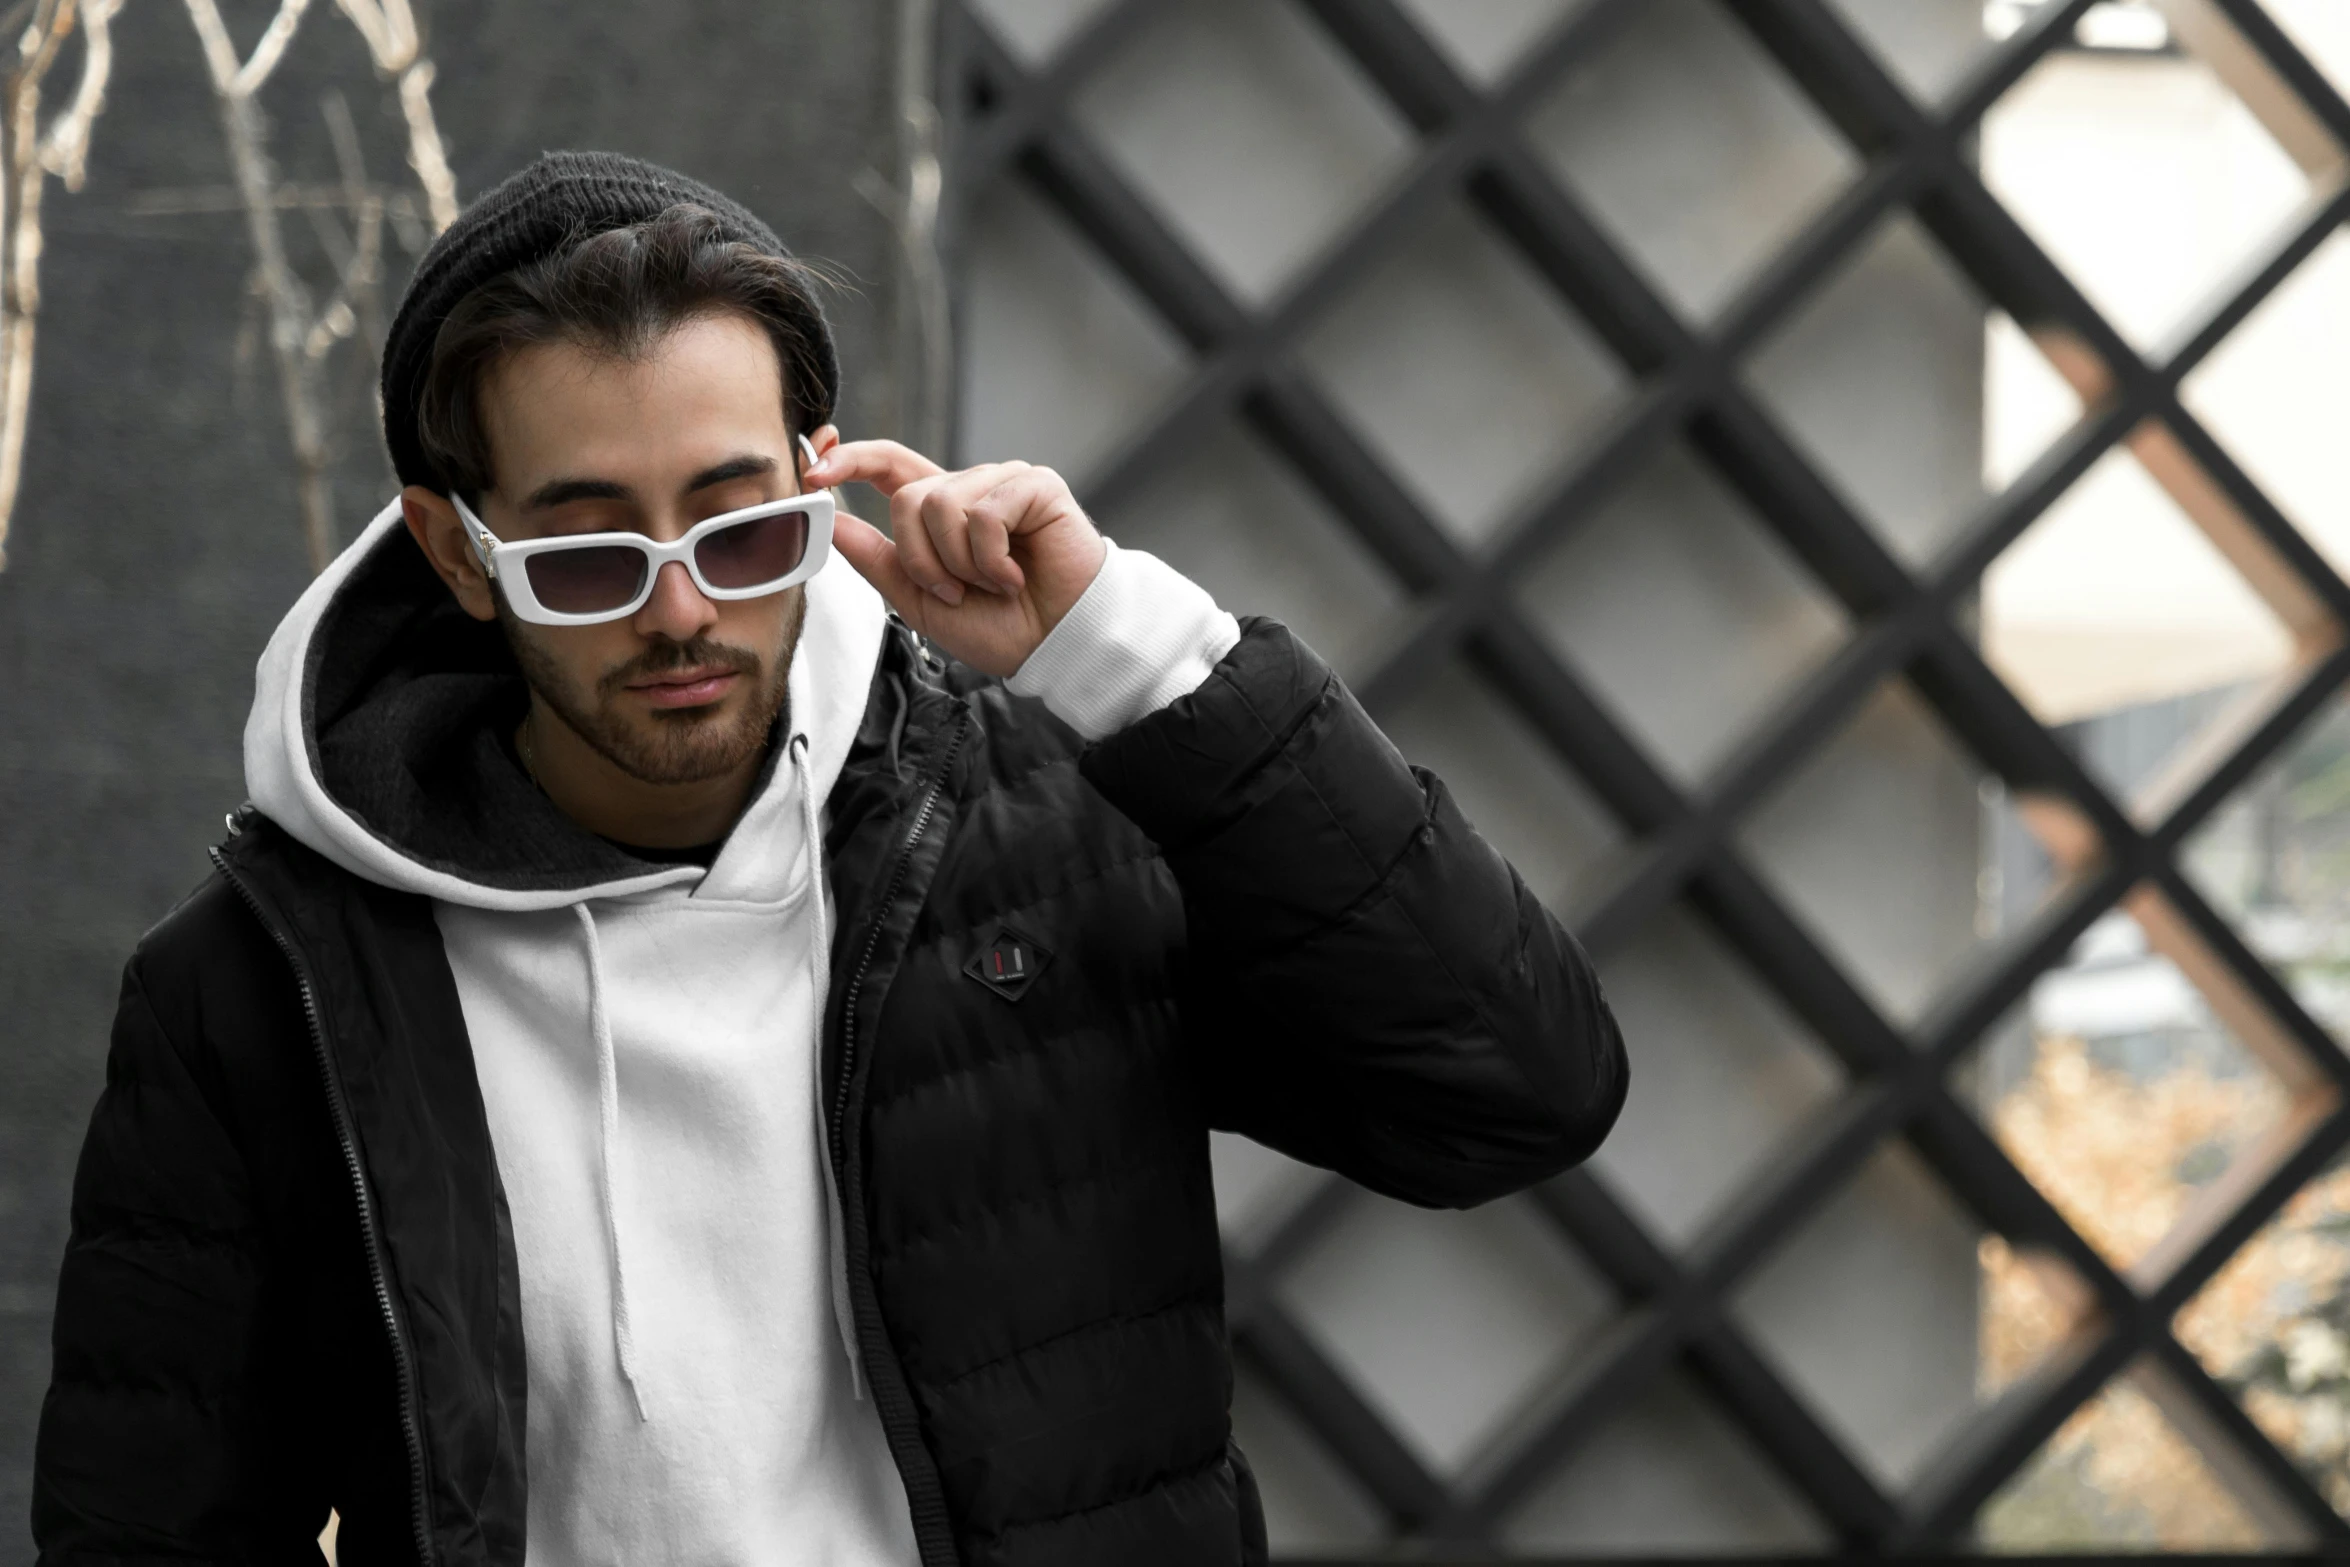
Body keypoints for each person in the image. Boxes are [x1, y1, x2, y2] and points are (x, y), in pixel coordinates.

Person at [33, 152, 1625, 1567]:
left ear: (819, 477)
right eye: (591, 553)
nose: (678, 612)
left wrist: (1139, 665)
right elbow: (153, 1526)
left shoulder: (1045, 841)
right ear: (458, 549)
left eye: (739, 529)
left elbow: (1508, 1092)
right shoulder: (267, 982)